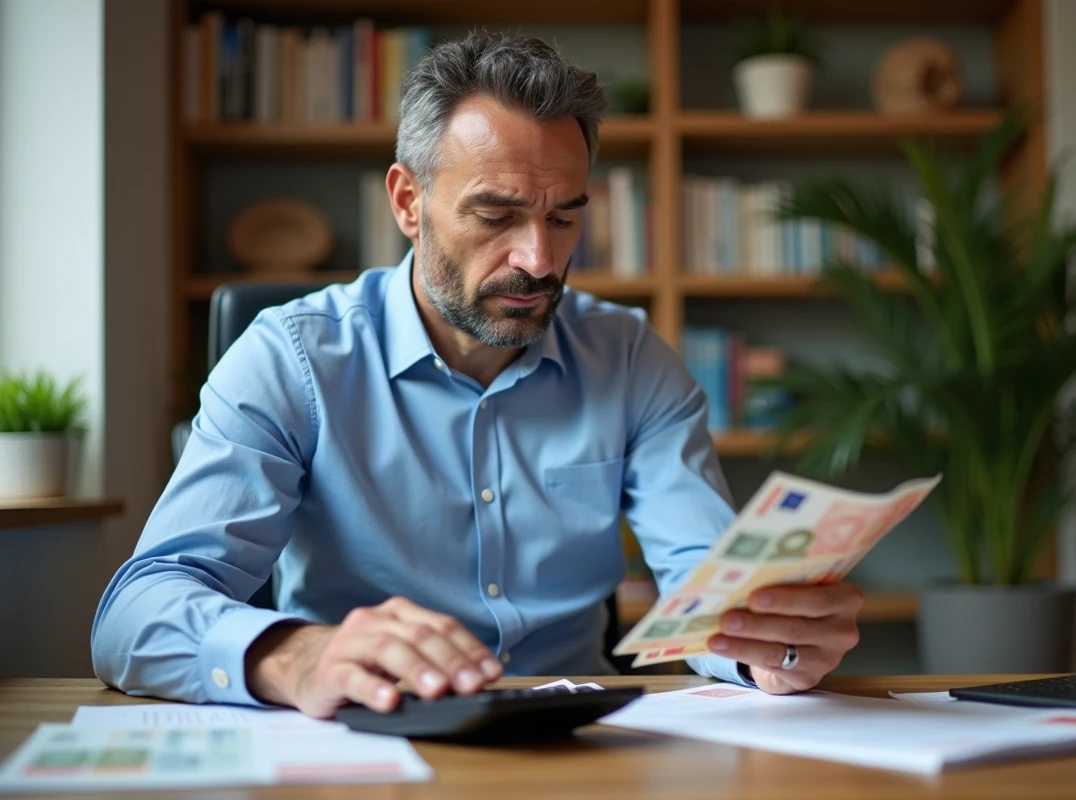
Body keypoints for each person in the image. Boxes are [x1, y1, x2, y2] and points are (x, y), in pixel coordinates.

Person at [92, 32, 862, 719]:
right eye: (496, 216)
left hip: (581, 750)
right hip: (364, 736)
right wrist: (297, 658)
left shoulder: (629, 359)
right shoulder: (290, 360)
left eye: (564, 217)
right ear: (407, 201)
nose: (537, 258)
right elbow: (136, 614)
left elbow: (706, 585)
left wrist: (768, 647)